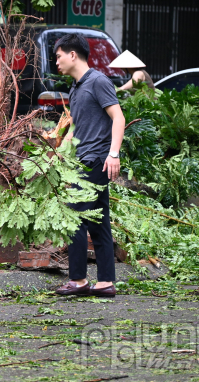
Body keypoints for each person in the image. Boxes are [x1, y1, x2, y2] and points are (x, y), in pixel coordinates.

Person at [53, 33, 125, 298]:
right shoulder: (76, 86)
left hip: (94, 161)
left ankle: (78, 280)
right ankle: (106, 282)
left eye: (59, 56)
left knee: (75, 219)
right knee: (98, 222)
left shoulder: (98, 81)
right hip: (80, 160)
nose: (56, 62)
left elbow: (118, 117)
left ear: (73, 55)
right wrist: (64, 148)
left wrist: (113, 154)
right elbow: (77, 124)